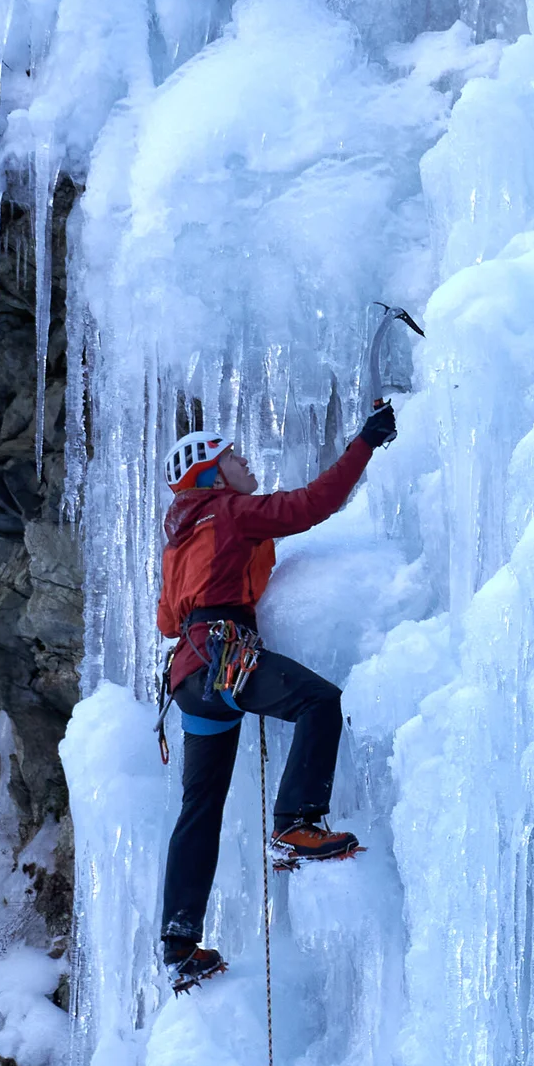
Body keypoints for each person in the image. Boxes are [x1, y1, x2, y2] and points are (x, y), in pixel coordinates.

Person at [158, 406, 397, 990]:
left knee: (200, 810)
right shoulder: (229, 512)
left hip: (192, 682)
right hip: (226, 659)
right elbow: (311, 505)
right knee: (320, 702)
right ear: (211, 474)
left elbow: (169, 620)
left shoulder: (179, 537)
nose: (245, 461)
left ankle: (179, 942)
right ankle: (296, 824)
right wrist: (365, 442)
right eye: (233, 456)